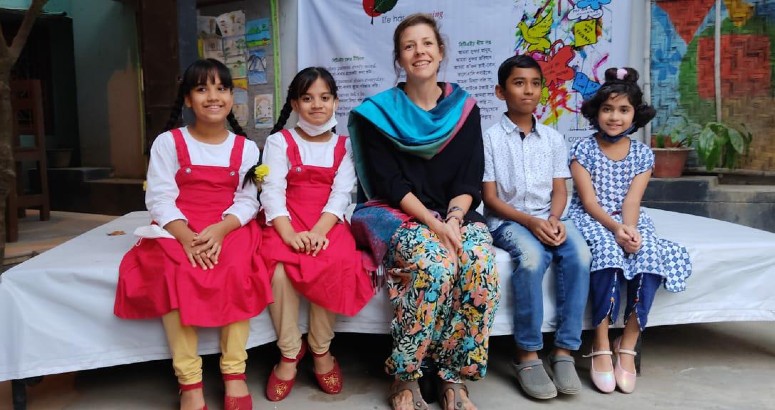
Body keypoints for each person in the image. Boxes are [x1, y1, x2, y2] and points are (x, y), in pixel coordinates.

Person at [348, 13, 500, 410]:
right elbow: (391, 183)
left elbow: (469, 180)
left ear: (441, 51)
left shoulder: (464, 107)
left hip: (454, 211)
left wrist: (451, 221)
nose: (420, 52)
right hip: (397, 211)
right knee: (435, 265)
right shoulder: (379, 113)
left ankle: (452, 377)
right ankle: (406, 375)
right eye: (410, 45)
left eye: (427, 43)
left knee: (479, 263)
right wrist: (434, 224)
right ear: (399, 58)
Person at [114, 58, 271, 410]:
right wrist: (186, 238)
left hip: (228, 226)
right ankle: (190, 381)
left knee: (236, 268)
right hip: (178, 226)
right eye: (202, 89)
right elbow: (159, 197)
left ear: (232, 96)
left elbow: (248, 200)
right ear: (187, 99)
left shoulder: (245, 148)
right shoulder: (168, 143)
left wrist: (221, 229)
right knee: (176, 271)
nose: (212, 97)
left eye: (221, 88)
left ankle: (234, 372)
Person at [569, 67, 692, 394]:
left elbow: (632, 201)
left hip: (627, 219)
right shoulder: (584, 150)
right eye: (607, 109)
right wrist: (615, 230)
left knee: (649, 253)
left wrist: (630, 230)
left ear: (635, 114)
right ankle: (600, 341)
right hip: (592, 218)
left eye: (623, 109)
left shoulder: (642, 154)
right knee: (608, 254)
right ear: (597, 112)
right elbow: (589, 201)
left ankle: (629, 340)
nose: (614, 116)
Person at [258, 67, 374, 402]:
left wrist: (320, 231)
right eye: (307, 98)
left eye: (324, 98)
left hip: (328, 223)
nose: (316, 105)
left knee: (334, 264)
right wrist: (289, 233)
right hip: (286, 221)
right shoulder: (280, 141)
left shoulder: (347, 145)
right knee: (278, 271)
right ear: (294, 104)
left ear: (336, 101)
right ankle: (290, 352)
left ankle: (322, 350)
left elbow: (341, 194)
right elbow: (273, 191)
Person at [481, 55, 591, 400]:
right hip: (509, 220)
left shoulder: (553, 138)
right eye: (518, 83)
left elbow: (561, 189)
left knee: (580, 255)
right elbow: (491, 198)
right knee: (531, 258)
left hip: (550, 215)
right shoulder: (490, 139)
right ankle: (527, 353)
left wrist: (554, 219)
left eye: (534, 83)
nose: (528, 90)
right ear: (501, 91)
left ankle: (563, 351)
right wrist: (530, 221)